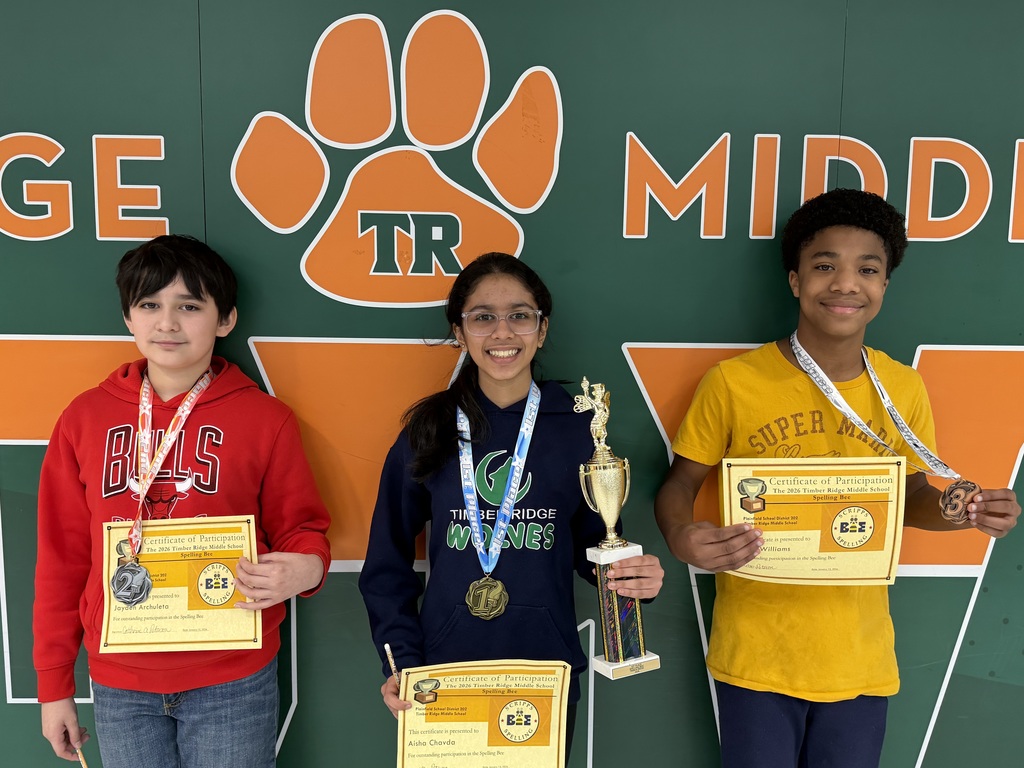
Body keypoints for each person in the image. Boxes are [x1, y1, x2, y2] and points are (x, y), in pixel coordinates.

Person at [654, 189, 1019, 768]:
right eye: (824, 266)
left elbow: (914, 496)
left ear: (884, 286)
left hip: (859, 657)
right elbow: (678, 483)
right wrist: (680, 536)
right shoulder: (733, 382)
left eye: (867, 270)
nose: (845, 284)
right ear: (796, 280)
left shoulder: (902, 389)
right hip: (756, 652)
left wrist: (961, 510)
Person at [33, 235, 331, 767]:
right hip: (121, 679)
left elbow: (301, 529)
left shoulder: (266, 419)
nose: (167, 323)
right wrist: (55, 686)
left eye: (189, 307)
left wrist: (304, 570)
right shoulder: (83, 419)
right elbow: (61, 560)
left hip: (231, 676)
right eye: (150, 305)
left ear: (226, 320)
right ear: (128, 317)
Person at [358, 252, 664, 758]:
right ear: (459, 330)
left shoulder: (580, 428)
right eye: (483, 317)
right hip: (442, 673)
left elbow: (596, 546)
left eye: (520, 315)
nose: (503, 332)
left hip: (544, 671)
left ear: (542, 331)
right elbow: (387, 564)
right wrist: (402, 664)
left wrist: (633, 579)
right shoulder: (429, 431)